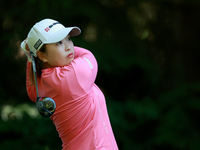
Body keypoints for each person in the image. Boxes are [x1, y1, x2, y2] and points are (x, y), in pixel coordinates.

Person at [21, 18, 118, 150]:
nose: (68, 47)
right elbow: (88, 55)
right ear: (42, 56)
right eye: (59, 42)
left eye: (69, 39)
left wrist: (31, 56)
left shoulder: (40, 84)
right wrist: (31, 54)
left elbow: (31, 90)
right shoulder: (74, 75)